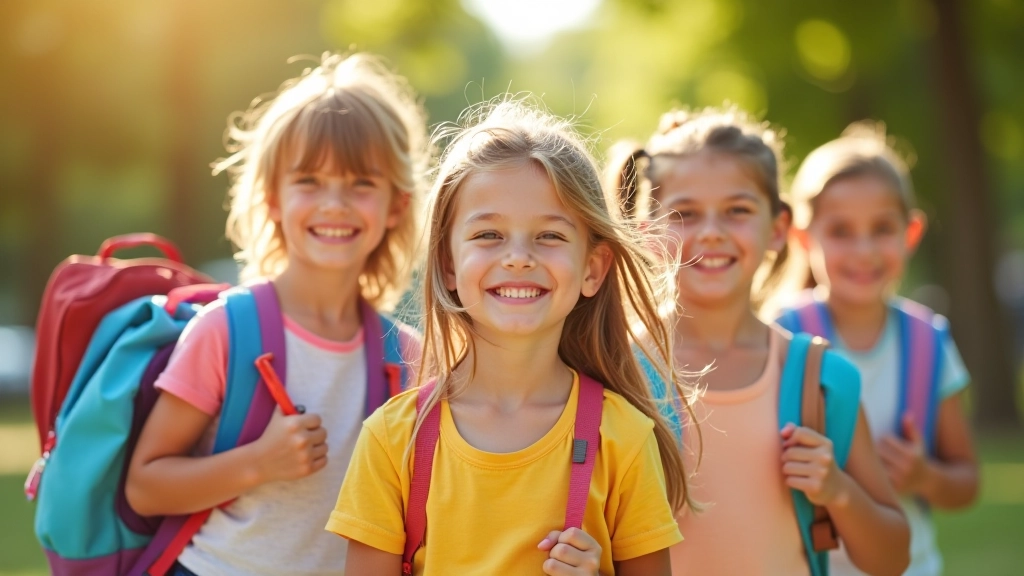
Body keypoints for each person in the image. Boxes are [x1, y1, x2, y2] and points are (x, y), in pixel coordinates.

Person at [329, 100, 694, 575]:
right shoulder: (392, 438)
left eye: (549, 236)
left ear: (593, 268)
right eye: (488, 235)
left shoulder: (622, 438)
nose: (519, 257)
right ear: (448, 263)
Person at [126, 52, 428, 576]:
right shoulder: (225, 331)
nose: (334, 204)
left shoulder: (408, 358)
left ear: (396, 205)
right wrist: (258, 464)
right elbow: (146, 486)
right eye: (309, 181)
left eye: (361, 183)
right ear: (272, 198)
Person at [608, 107, 910, 576]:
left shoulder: (825, 381)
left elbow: (892, 558)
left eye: (737, 211)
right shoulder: (614, 374)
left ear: (777, 228)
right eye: (685, 213)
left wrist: (837, 490)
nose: (711, 231)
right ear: (647, 231)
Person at [776, 122, 979, 576]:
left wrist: (926, 477)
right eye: (841, 231)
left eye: (882, 229)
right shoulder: (778, 336)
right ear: (803, 238)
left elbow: (967, 480)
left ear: (911, 233)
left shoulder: (929, 343)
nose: (864, 249)